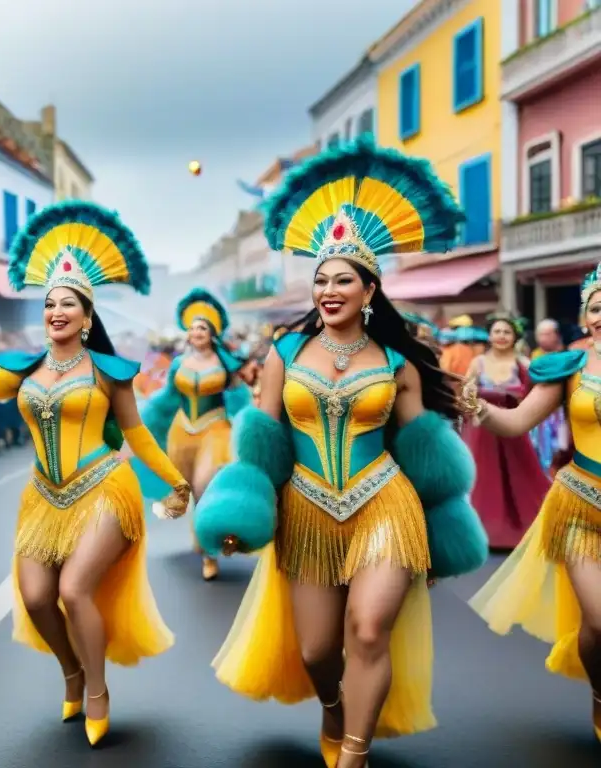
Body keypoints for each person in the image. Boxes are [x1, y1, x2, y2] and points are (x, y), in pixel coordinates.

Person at [191, 137, 488, 768]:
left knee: (371, 629)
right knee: (318, 651)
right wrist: (240, 515)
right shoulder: (283, 356)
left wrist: (442, 536)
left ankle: (355, 751)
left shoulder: (398, 363)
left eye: (342, 279)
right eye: (320, 279)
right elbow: (259, 444)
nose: (328, 289)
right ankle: (333, 706)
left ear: (368, 290)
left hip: (386, 504)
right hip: (306, 511)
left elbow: (425, 453)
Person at [0, 200, 191, 747]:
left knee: (73, 588)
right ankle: (70, 671)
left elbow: (137, 436)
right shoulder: (20, 371)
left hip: (104, 490)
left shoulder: (109, 373)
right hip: (44, 496)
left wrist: (176, 482)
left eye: (68, 303)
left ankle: (97, 689)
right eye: (49, 303)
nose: (56, 310)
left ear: (88, 318)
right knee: (37, 596)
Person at [464, 263, 601, 746]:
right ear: (585, 317)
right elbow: (518, 421)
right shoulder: (569, 368)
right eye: (596, 307)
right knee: (600, 620)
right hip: (582, 504)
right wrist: (482, 412)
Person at [134, 288, 250, 581]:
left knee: (204, 487)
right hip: (181, 434)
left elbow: (239, 400)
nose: (197, 331)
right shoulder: (178, 364)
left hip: (215, 430)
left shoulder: (226, 364)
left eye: (203, 327)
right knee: (190, 493)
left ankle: (210, 553)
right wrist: (138, 420)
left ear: (212, 334)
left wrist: (248, 427)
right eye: (194, 327)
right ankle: (205, 540)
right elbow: (166, 399)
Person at [461, 311, 550, 548]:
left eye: (506, 332)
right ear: (489, 335)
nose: (501, 336)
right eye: (497, 331)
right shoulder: (477, 363)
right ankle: (487, 533)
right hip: (483, 430)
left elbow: (535, 395)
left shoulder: (524, 363)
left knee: (520, 475)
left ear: (515, 336)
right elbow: (465, 393)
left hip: (515, 428)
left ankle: (523, 531)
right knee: (485, 477)